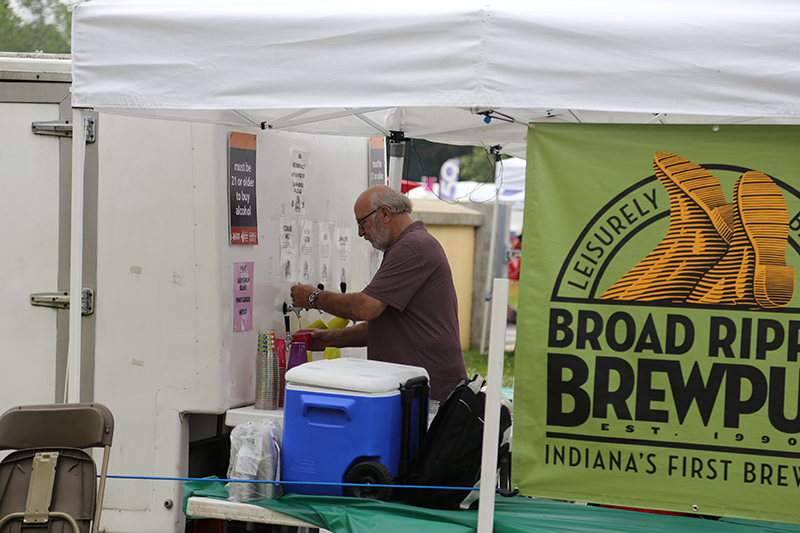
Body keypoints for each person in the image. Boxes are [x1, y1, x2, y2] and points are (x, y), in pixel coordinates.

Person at [289, 185, 467, 402]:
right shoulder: (407, 246)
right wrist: (328, 339)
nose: (360, 233)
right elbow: (385, 327)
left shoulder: (411, 247)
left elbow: (365, 307)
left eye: (362, 223)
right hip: (417, 390)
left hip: (430, 394)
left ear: (385, 213)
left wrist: (314, 297)